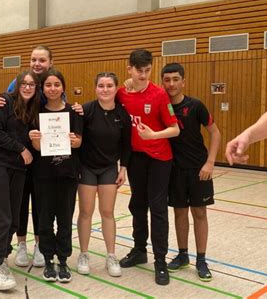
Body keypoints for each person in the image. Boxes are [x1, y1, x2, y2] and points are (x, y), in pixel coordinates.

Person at [116, 49, 179, 286]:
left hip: (160, 158)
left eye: (147, 70)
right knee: (137, 204)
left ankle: (160, 260)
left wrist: (154, 135)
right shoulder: (122, 93)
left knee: (158, 208)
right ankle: (139, 249)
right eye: (139, 70)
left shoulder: (160, 95)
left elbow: (175, 129)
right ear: (129, 68)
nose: (143, 75)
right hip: (136, 159)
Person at [0, 45, 54, 268]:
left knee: (39, 201)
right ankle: (20, 245)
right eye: (33, 59)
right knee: (17, 203)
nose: (37, 64)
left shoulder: (54, 85)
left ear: (50, 63)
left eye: (42, 60)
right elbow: (5, 106)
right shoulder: (15, 87)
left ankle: (39, 245)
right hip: (15, 157)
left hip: (41, 155)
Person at [160, 63, 221, 282]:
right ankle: (183, 254)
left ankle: (201, 259)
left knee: (200, 213)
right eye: (167, 80)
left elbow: (215, 133)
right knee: (179, 213)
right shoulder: (161, 106)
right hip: (174, 170)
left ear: (183, 81)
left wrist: (210, 163)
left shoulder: (196, 105)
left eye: (176, 79)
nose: (171, 84)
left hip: (198, 169)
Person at [0, 70, 41, 290]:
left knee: (15, 220)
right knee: (2, 219)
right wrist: (21, 149)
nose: (27, 87)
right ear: (17, 86)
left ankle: (2, 259)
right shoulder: (4, 101)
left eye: (32, 84)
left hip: (19, 169)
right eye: (24, 84)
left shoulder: (32, 109)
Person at [29, 69, 83, 283]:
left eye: (56, 84)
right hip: (43, 175)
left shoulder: (74, 112)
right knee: (44, 219)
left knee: (64, 219)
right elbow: (35, 146)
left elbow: (79, 141)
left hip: (67, 175)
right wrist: (35, 138)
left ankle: (63, 260)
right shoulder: (36, 113)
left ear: (63, 88)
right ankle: (48, 260)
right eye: (48, 85)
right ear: (43, 89)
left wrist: (74, 141)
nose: (52, 88)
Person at [76, 72, 131, 277]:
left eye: (109, 86)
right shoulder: (86, 110)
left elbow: (127, 144)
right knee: (86, 212)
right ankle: (83, 254)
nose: (105, 89)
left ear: (116, 88)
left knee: (107, 212)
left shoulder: (122, 114)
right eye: (101, 86)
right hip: (87, 168)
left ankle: (111, 255)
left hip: (109, 168)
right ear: (95, 88)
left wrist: (123, 168)